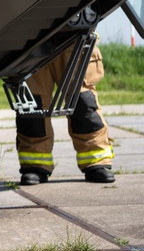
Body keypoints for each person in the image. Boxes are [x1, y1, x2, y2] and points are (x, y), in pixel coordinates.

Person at [16, 39, 115, 185]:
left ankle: (96, 162)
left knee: (83, 102)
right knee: (32, 106)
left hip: (73, 34)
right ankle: (35, 164)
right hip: (29, 38)